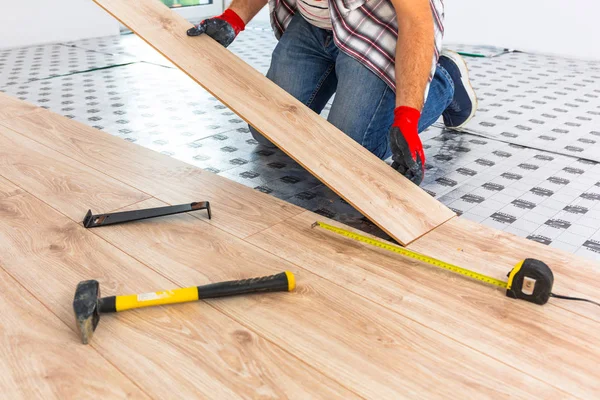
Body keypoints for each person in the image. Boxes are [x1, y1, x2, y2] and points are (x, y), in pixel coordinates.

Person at [187, 0, 477, 185]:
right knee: (268, 128)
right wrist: (233, 19)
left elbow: (417, 20)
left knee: (351, 150)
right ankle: (348, 72)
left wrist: (407, 116)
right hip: (313, 23)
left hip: (375, 22)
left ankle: (445, 80)